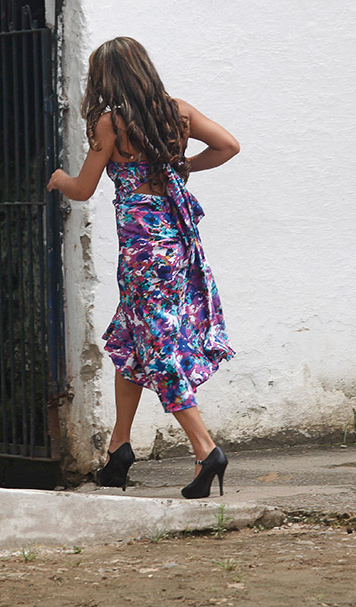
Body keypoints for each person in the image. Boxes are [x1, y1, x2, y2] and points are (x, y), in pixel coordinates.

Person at [47, 36, 239, 499]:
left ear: (107, 78)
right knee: (132, 342)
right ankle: (119, 450)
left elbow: (84, 188)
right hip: (175, 244)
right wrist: (182, 166)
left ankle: (205, 449)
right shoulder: (178, 113)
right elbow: (228, 146)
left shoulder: (111, 123)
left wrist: (59, 180)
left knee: (159, 350)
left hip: (141, 254)